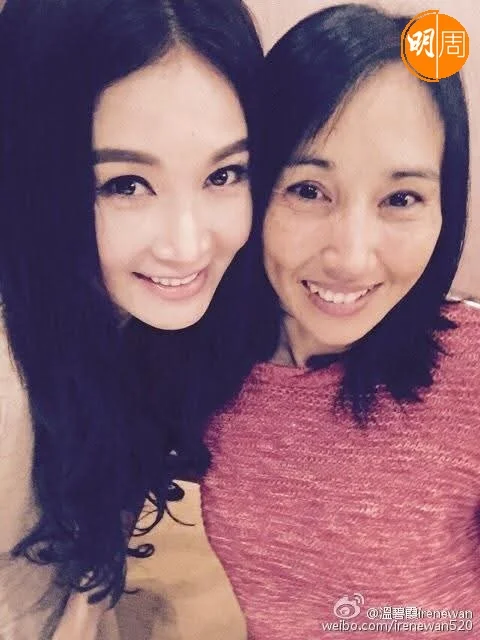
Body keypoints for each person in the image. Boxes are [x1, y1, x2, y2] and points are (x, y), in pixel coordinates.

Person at [200, 4, 480, 639]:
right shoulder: (209, 359)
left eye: (401, 198)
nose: (351, 258)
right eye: (308, 190)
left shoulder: (471, 376)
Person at [0, 0, 265, 636]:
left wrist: (83, 617)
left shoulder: (146, 322)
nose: (188, 247)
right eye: (125, 184)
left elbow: (112, 487)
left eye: (224, 174)